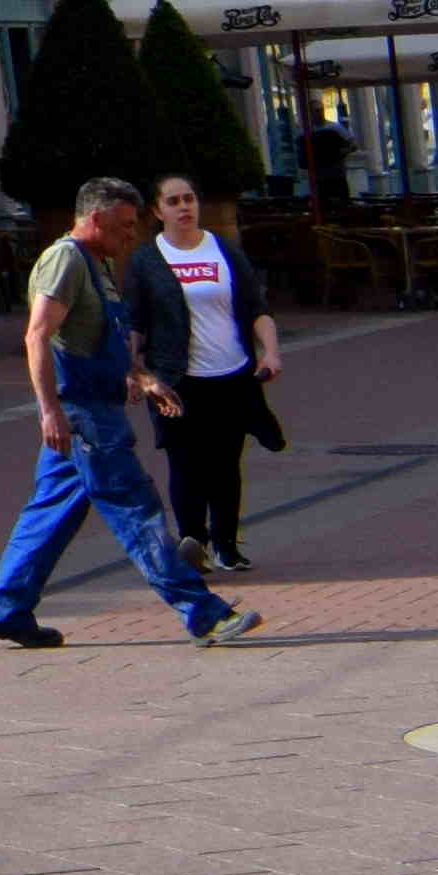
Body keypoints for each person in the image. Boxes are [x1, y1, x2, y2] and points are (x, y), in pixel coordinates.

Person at [0, 178, 256, 653]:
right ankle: (204, 614)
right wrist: (50, 411)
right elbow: (37, 336)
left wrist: (140, 378)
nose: (132, 236)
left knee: (47, 516)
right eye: (125, 226)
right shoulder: (65, 260)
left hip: (93, 410)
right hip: (85, 417)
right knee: (137, 511)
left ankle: (7, 610)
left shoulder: (97, 263)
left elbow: (101, 339)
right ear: (97, 218)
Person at [138, 169, 282, 576]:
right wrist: (138, 373)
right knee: (186, 462)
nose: (184, 207)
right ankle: (192, 543)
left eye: (189, 199)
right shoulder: (148, 259)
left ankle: (226, 545)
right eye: (174, 201)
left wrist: (269, 351)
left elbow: (256, 307)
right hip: (177, 380)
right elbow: (135, 322)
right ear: (157, 210)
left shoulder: (223, 250)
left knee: (225, 463)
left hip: (231, 374)